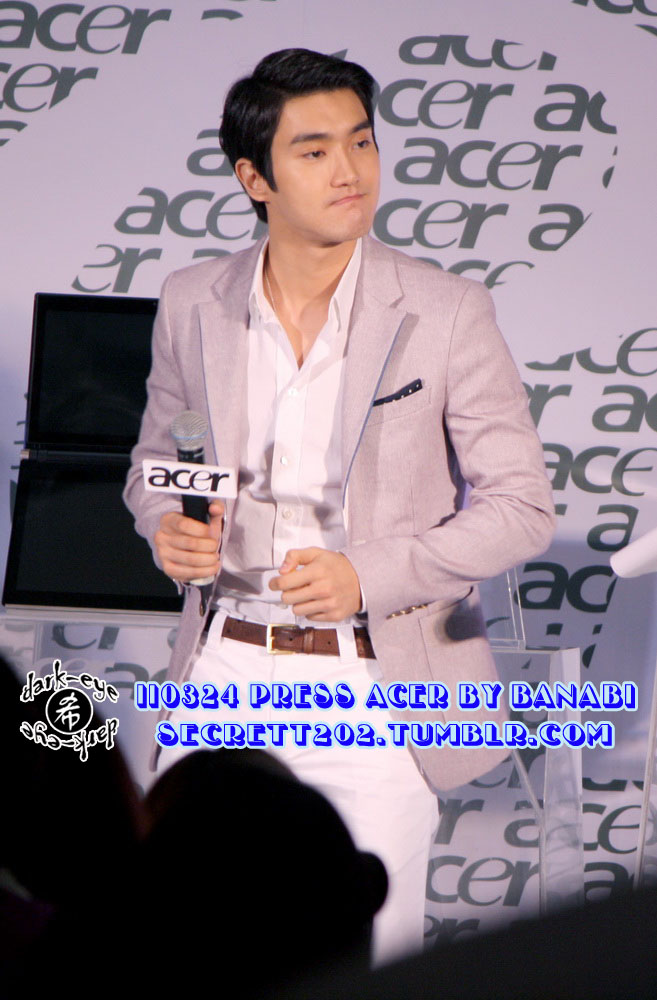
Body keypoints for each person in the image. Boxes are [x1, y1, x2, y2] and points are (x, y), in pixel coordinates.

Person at [124, 47, 555, 963]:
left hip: (373, 683)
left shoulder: (444, 309)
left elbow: (521, 505)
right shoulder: (191, 299)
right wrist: (164, 526)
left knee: (370, 958)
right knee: (187, 952)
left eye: (361, 142)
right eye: (314, 151)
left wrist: (370, 573)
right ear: (255, 179)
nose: (350, 170)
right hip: (221, 667)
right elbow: (156, 460)